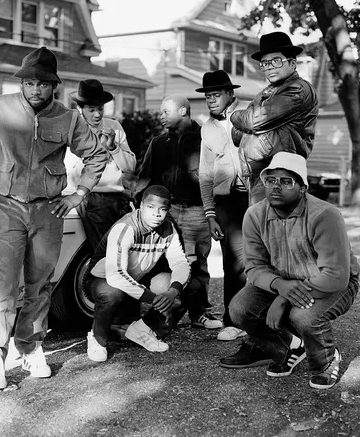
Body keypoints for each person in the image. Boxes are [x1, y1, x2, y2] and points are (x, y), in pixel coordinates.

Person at [0, 47, 108, 390]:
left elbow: (96, 154)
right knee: (3, 285)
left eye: (43, 84)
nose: (35, 89)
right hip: (4, 207)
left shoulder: (68, 118)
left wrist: (80, 193)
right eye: (30, 82)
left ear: (54, 86)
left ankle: (30, 346)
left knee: (40, 283)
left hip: (48, 209)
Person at [221, 152, 360, 390]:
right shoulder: (255, 215)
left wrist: (284, 298)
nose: (276, 187)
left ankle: (325, 361)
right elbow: (254, 267)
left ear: (303, 187)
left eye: (286, 181)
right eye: (271, 180)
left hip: (332, 283)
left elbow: (336, 275)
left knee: (303, 315)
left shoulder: (325, 215)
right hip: (282, 280)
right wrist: (279, 286)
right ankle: (289, 348)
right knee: (239, 308)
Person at [136, 94, 221, 330]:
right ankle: (167, 313)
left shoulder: (205, 139)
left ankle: (200, 313)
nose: (161, 116)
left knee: (198, 264)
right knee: (170, 264)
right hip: (169, 211)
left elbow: (215, 176)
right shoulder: (158, 143)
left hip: (198, 210)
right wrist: (137, 200)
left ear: (183, 111)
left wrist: (213, 210)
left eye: (165, 111)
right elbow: (146, 175)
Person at [86, 185, 197, 362]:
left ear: (168, 210)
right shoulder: (126, 227)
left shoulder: (169, 228)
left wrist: (172, 291)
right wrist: (153, 299)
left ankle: (144, 329)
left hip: (137, 278)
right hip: (103, 279)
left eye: (162, 209)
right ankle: (98, 338)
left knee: (191, 285)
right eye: (151, 208)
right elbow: (116, 274)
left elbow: (180, 263)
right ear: (141, 206)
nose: (156, 214)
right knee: (110, 293)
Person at [230, 31, 319, 205]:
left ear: (292, 63)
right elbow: (236, 135)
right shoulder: (266, 92)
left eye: (276, 61)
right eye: (264, 63)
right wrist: (250, 124)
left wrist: (234, 115)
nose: (269, 67)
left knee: (276, 228)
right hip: (261, 175)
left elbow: (253, 121)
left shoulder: (297, 89)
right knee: (258, 226)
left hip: (282, 176)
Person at [196, 70, 250, 341]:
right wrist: (210, 214)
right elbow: (205, 174)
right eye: (207, 96)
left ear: (230, 94)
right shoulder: (207, 128)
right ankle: (235, 320)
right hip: (226, 202)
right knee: (233, 261)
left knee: (263, 257)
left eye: (216, 94)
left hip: (255, 196)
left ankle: (267, 316)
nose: (211, 100)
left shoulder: (249, 115)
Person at [64, 79, 136, 251]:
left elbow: (130, 167)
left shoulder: (114, 127)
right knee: (108, 253)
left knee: (125, 250)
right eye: (91, 109)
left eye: (100, 109)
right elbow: (68, 171)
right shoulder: (71, 130)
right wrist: (91, 145)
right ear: (80, 109)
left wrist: (112, 146)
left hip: (117, 199)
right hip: (90, 198)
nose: (97, 114)